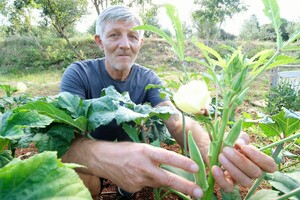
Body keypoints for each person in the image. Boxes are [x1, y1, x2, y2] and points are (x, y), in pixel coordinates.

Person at [60, 5, 277, 199]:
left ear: (140, 43)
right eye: (114, 35)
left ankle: (124, 191)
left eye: (133, 37)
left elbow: (176, 121)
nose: (125, 44)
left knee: (136, 181)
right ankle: (96, 188)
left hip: (131, 153)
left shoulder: (148, 78)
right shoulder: (79, 73)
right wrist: (104, 157)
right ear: (100, 41)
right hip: (91, 156)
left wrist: (214, 152)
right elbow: (65, 138)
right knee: (81, 182)